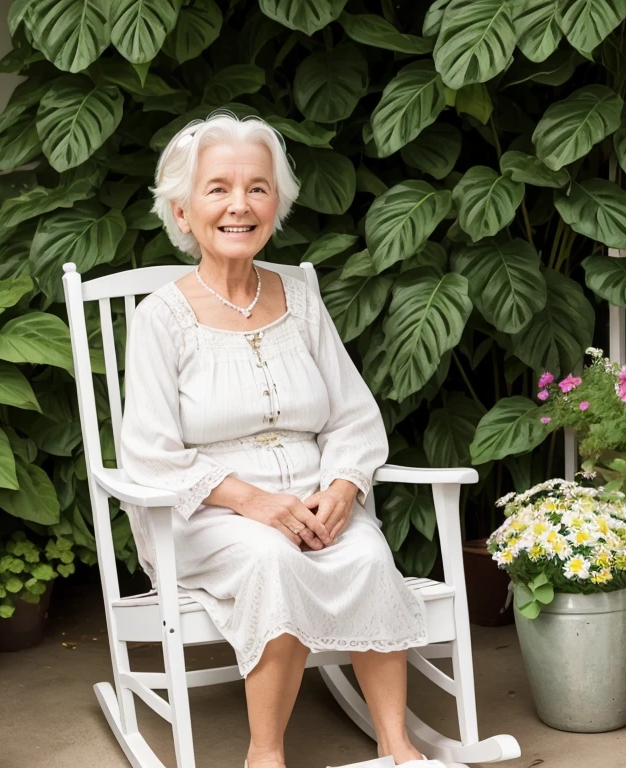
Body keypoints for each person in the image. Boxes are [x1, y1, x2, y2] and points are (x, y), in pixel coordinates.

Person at [119, 111, 439, 768]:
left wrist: (345, 488)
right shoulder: (162, 319)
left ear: (277, 205)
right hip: (204, 513)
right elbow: (150, 454)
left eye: (258, 188)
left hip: (314, 499)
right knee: (275, 562)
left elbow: (352, 415)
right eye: (218, 189)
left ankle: (398, 745)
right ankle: (264, 754)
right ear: (182, 213)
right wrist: (255, 503)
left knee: (370, 556)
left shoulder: (299, 298)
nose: (240, 204)